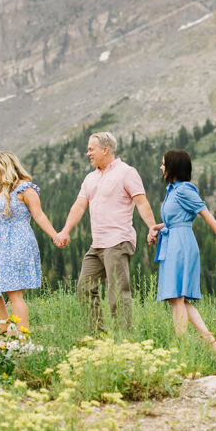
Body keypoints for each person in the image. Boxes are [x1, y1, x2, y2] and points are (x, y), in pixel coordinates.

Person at [54, 132, 157, 332]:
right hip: (97, 244)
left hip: (118, 241)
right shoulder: (90, 178)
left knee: (117, 292)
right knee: (85, 288)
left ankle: (123, 340)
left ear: (105, 150)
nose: (87, 153)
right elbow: (79, 206)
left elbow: (141, 202)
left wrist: (152, 226)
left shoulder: (127, 172)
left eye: (91, 149)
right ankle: (97, 337)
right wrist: (65, 230)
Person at [147, 150, 216, 354]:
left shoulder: (184, 190)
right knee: (178, 298)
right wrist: (156, 228)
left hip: (181, 245)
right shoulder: (173, 190)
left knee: (176, 297)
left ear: (173, 167)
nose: (161, 167)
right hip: (173, 241)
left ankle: (182, 348)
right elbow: (173, 220)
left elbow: (206, 214)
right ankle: (210, 343)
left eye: (163, 164)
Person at [0, 151, 57, 336]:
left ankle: (23, 336)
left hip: (18, 242)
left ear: (5, 168)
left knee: (14, 293)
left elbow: (39, 215)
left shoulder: (26, 189)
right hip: (2, 244)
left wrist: (55, 235)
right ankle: (5, 324)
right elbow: (5, 220)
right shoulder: (4, 189)